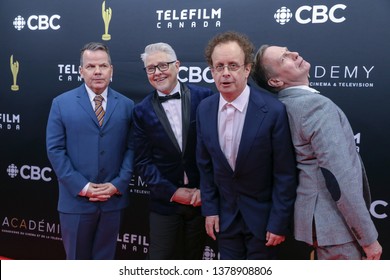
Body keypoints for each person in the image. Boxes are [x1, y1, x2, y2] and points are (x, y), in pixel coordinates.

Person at [252, 44, 382, 260]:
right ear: (275, 81)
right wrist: (368, 238)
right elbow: (339, 178)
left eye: (288, 51)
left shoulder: (284, 106)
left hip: (317, 223)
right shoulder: (315, 106)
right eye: (284, 58)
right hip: (336, 226)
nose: (294, 54)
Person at [196, 31, 297, 260]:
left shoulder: (273, 111)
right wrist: (210, 209)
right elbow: (205, 166)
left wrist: (278, 221)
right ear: (211, 71)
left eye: (233, 65)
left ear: (247, 69)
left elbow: (285, 174)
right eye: (219, 66)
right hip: (225, 221)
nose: (226, 73)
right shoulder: (204, 109)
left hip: (264, 223)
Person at [46, 42, 134, 260]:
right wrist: (83, 187)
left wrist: (117, 185)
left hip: (112, 202)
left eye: (103, 66)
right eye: (91, 66)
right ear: (81, 71)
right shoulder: (61, 103)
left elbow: (133, 148)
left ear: (111, 70)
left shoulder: (127, 105)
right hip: (76, 202)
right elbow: (55, 150)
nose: (97, 71)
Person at [133, 42, 214, 259]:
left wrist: (205, 191)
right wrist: (172, 192)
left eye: (163, 65)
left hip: (202, 201)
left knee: (194, 260)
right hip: (164, 203)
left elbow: (217, 151)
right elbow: (142, 162)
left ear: (177, 65)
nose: (157, 73)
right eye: (151, 68)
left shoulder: (205, 98)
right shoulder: (140, 111)